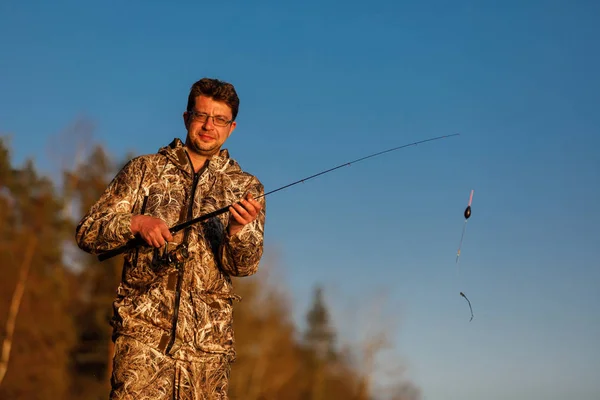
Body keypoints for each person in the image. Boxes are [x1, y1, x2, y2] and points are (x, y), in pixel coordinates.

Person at [75, 77, 265, 399]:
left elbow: (245, 265)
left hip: (207, 355)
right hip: (142, 342)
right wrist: (135, 222)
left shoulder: (245, 187)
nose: (209, 126)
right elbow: (88, 231)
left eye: (219, 120)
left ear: (231, 127)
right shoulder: (143, 171)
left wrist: (235, 231)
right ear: (186, 117)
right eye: (202, 115)